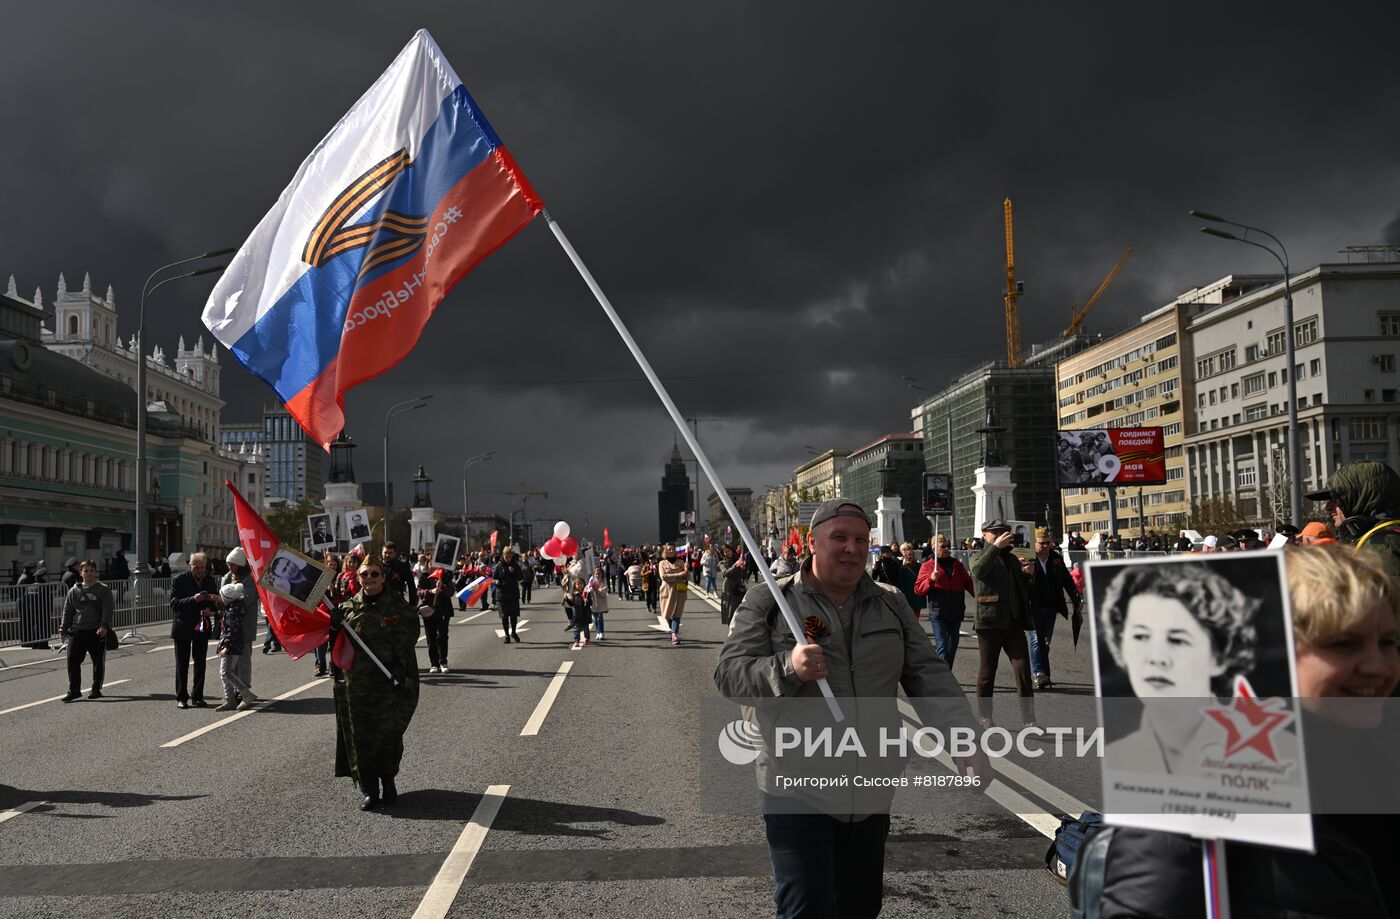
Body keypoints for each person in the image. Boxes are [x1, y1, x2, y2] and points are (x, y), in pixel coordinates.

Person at [715, 499, 989, 919]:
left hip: (872, 787)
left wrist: (964, 739)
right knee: (806, 909)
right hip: (796, 787)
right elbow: (730, 675)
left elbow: (928, 675)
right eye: (839, 538)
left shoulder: (890, 602)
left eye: (861, 539)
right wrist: (789, 667)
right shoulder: (770, 602)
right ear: (811, 543)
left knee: (861, 908)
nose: (852, 548)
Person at [1096, 544, 1400, 918]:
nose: (1378, 665)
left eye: (1388, 642)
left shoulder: (1379, 756)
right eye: (1343, 644)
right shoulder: (1192, 782)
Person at [1096, 561, 1256, 774]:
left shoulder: (1271, 758)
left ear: (1219, 656)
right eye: (1141, 636)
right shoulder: (1117, 757)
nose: (1156, 658)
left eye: (1177, 640)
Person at [331, 556, 420, 810]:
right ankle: (369, 789)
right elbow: (336, 647)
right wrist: (334, 626)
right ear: (357, 578)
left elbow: (410, 632)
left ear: (383, 578)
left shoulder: (396, 606)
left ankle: (388, 781)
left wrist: (398, 663)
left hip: (386, 683)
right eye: (364, 575)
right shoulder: (348, 608)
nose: (369, 579)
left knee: (387, 735)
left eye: (374, 574)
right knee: (360, 737)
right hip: (357, 686)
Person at [967, 520, 1037, 728]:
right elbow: (979, 571)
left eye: (1004, 532)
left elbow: (1020, 588)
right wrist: (995, 548)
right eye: (995, 532)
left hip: (1013, 622)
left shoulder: (1012, 559)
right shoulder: (977, 554)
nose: (1000, 535)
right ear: (984, 534)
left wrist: (1029, 575)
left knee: (1023, 670)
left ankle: (1029, 720)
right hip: (989, 622)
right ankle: (985, 717)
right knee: (988, 671)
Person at [1305, 459, 1400, 577]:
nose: (1327, 507)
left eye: (1335, 499)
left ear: (1362, 499)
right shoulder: (1386, 537)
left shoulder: (1381, 547)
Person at [1025, 527, 1081, 690]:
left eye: (1048, 543)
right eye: (1041, 543)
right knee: (1036, 639)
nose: (1045, 546)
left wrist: (1077, 598)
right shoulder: (1026, 559)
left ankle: (1041, 670)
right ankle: (1039, 673)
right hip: (1032, 606)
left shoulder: (1055, 558)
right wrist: (1027, 572)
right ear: (1034, 543)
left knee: (1046, 641)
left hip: (1051, 606)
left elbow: (1067, 580)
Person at [170, 551, 220, 709]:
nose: (200, 570)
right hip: (183, 626)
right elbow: (174, 603)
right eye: (196, 567)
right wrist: (193, 599)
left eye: (203, 567)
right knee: (182, 663)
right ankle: (182, 697)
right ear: (189, 566)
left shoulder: (210, 580)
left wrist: (212, 605)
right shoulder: (180, 580)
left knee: (200, 663)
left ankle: (198, 696)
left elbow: (215, 603)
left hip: (201, 626)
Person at [58, 560, 113, 702]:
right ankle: (74, 690)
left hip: (97, 631)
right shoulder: (74, 590)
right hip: (77, 630)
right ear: (81, 572)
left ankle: (96, 689)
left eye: (91, 570)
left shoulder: (103, 589)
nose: (89, 573)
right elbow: (67, 611)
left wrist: (104, 626)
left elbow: (107, 609)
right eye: (86, 571)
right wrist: (63, 629)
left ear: (95, 572)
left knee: (98, 662)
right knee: (72, 660)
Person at [915, 536, 974, 667]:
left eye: (948, 546)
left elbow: (969, 584)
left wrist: (981, 597)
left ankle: (946, 673)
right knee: (942, 646)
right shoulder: (928, 566)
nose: (947, 549)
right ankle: (942, 678)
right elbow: (918, 589)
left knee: (952, 647)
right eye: (943, 546)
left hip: (956, 611)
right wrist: (930, 579)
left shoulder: (957, 565)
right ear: (934, 548)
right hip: (938, 612)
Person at [214, 581, 259, 711]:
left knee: (226, 672)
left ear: (226, 598)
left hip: (232, 646)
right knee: (228, 672)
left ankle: (245, 694)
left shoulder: (233, 611)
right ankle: (230, 699)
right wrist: (213, 614)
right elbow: (224, 615)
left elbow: (233, 630)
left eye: (221, 596)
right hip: (233, 644)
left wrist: (226, 647)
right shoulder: (233, 607)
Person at [222, 547, 260, 698]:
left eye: (233, 565)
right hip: (231, 628)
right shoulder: (229, 577)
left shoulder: (250, 580)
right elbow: (224, 597)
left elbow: (245, 600)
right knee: (231, 663)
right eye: (228, 564)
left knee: (243, 661)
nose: (230, 568)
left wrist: (228, 596)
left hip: (244, 627)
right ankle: (235, 690)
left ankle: (244, 689)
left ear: (241, 565)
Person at [416, 565, 454, 671]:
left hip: (443, 610)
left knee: (442, 636)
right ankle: (434, 664)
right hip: (428, 611)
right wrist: (431, 591)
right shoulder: (424, 577)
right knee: (431, 638)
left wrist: (442, 587)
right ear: (428, 564)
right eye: (431, 563)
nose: (434, 566)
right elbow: (419, 591)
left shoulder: (446, 576)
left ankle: (443, 662)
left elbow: (451, 592)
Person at [493, 546, 526, 644]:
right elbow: (493, 578)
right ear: (503, 556)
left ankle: (514, 632)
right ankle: (507, 635)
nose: (508, 558)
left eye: (510, 556)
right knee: (504, 616)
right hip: (502, 594)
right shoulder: (499, 566)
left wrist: (514, 571)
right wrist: (496, 581)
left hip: (513, 594)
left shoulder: (515, 565)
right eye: (506, 556)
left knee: (514, 615)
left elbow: (520, 577)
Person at [657, 544, 688, 645]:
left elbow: (686, 577)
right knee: (666, 614)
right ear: (666, 551)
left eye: (673, 549)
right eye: (669, 549)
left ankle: (674, 634)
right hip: (667, 590)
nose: (671, 551)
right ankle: (673, 628)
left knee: (677, 614)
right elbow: (664, 577)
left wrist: (687, 570)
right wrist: (678, 575)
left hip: (679, 590)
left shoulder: (681, 562)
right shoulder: (662, 563)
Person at [895, 542, 924, 620]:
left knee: (916, 615)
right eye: (909, 555)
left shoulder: (920, 566)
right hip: (907, 594)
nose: (911, 556)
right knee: (908, 616)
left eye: (912, 555)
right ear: (905, 556)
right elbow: (901, 584)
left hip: (917, 594)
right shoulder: (903, 569)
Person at [568, 575, 593, 650]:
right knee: (576, 628)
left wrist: (587, 601)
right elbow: (571, 604)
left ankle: (587, 638)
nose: (579, 585)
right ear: (575, 585)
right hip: (577, 614)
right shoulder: (574, 594)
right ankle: (576, 640)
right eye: (578, 584)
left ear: (584, 585)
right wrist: (567, 599)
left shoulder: (586, 593)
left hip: (585, 614)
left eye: (581, 584)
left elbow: (590, 603)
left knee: (586, 628)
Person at [587, 565, 609, 640]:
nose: (597, 575)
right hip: (593, 603)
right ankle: (597, 632)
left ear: (602, 574)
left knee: (600, 618)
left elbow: (604, 593)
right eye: (596, 574)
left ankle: (601, 632)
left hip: (601, 603)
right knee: (595, 619)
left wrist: (597, 590)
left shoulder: (604, 582)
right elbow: (587, 590)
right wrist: (591, 589)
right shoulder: (591, 581)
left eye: (599, 574)